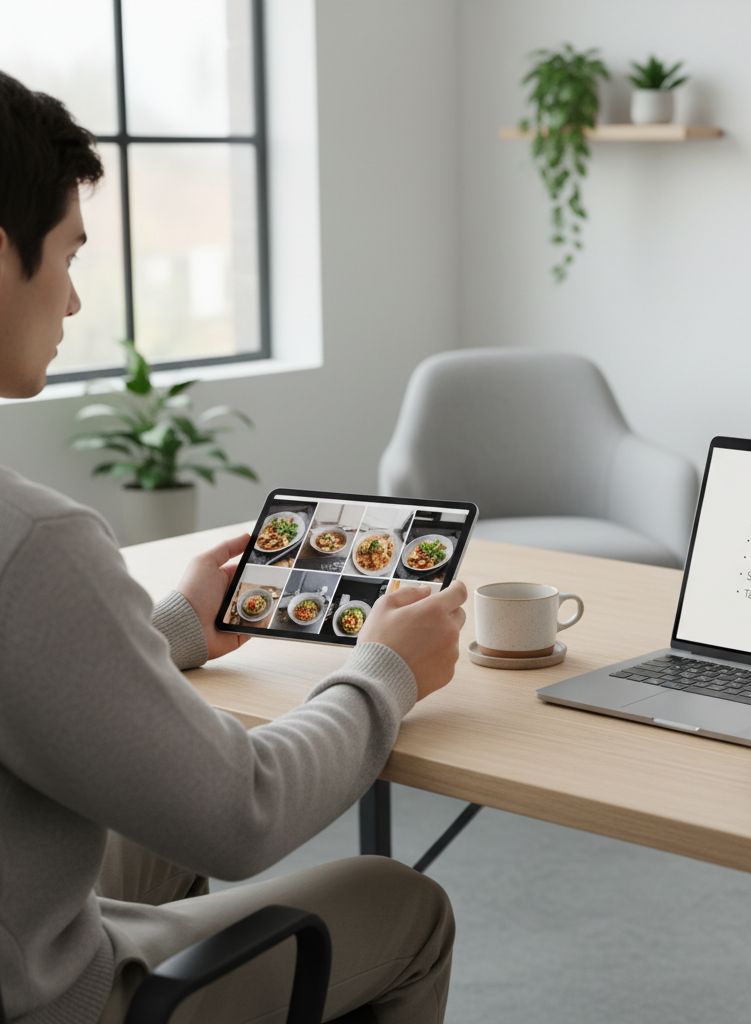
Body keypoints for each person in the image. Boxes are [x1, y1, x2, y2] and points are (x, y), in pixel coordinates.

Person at [0, 69, 467, 1024]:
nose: (75, 303)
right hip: (48, 997)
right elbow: (243, 810)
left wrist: (172, 630)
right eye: (67, 256)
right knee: (406, 905)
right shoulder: (33, 542)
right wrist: (386, 673)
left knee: (161, 832)